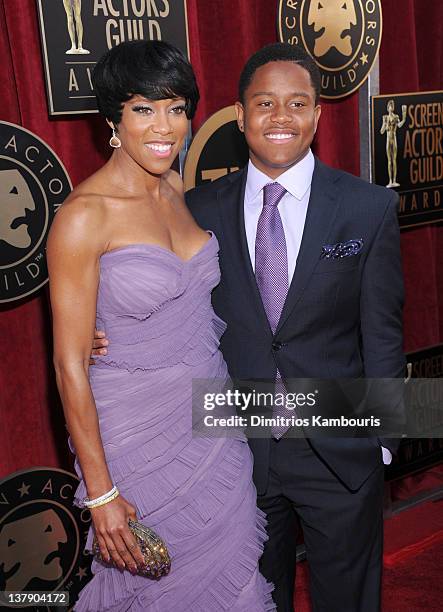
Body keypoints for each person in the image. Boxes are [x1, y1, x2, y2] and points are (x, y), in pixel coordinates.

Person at [93, 43, 405, 611]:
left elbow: (383, 334)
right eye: (264, 103)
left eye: (296, 103)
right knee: (255, 599)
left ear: (317, 114)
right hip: (235, 449)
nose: (280, 117)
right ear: (240, 115)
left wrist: (382, 444)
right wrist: (108, 333)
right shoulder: (198, 207)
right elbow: (166, 292)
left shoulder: (368, 208)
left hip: (340, 448)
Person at [47, 40, 275, 612]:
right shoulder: (83, 216)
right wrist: (100, 493)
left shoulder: (176, 190)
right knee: (154, 590)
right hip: (135, 436)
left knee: (234, 576)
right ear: (113, 120)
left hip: (210, 421)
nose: (164, 126)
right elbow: (69, 363)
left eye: (175, 107)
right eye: (143, 108)